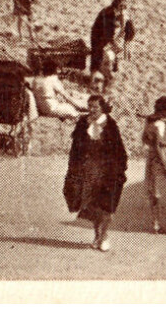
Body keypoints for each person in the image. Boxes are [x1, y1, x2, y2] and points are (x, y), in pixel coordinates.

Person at [63, 94, 128, 252]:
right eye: (89, 106)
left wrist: (119, 170)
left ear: (102, 108)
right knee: (93, 206)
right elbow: (75, 148)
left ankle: (104, 236)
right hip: (88, 171)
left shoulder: (110, 125)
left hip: (107, 172)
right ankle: (97, 235)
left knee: (106, 206)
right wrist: (73, 168)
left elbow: (119, 150)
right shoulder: (82, 123)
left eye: (95, 107)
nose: (91, 110)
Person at [142, 97, 166, 234]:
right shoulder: (158, 125)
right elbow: (159, 146)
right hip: (162, 160)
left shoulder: (152, 123)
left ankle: (157, 223)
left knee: (159, 192)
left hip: (156, 159)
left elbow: (145, 143)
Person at [88, 0, 134, 84]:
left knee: (109, 57)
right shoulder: (109, 14)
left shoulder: (117, 13)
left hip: (105, 36)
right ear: (117, 6)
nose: (123, 9)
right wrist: (114, 44)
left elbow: (128, 30)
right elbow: (108, 34)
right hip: (98, 37)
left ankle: (106, 75)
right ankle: (94, 78)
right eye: (122, 7)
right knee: (97, 56)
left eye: (124, 7)